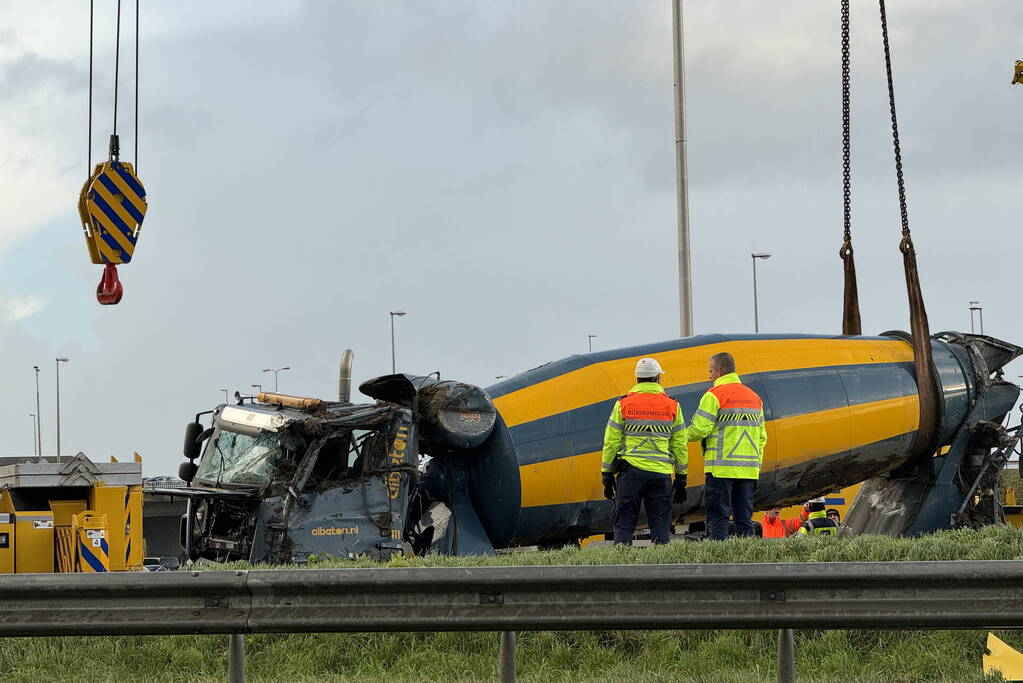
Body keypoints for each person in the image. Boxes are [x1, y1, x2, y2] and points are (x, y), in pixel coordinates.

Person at [601, 357, 688, 545]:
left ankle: (622, 560)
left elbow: (611, 442)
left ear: (637, 379)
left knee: (624, 524)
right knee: (660, 526)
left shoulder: (623, 404)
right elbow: (679, 444)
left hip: (630, 473)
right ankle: (660, 561)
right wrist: (681, 476)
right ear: (658, 378)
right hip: (660, 474)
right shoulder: (672, 405)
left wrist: (606, 474)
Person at [688, 352, 767, 540]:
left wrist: (676, 435)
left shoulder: (714, 395)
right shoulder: (754, 398)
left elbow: (699, 430)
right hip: (748, 471)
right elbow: (762, 437)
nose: (709, 376)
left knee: (718, 517)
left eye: (710, 371)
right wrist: (755, 465)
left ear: (720, 371)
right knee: (744, 519)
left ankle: (719, 556)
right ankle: (748, 555)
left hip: (720, 470)